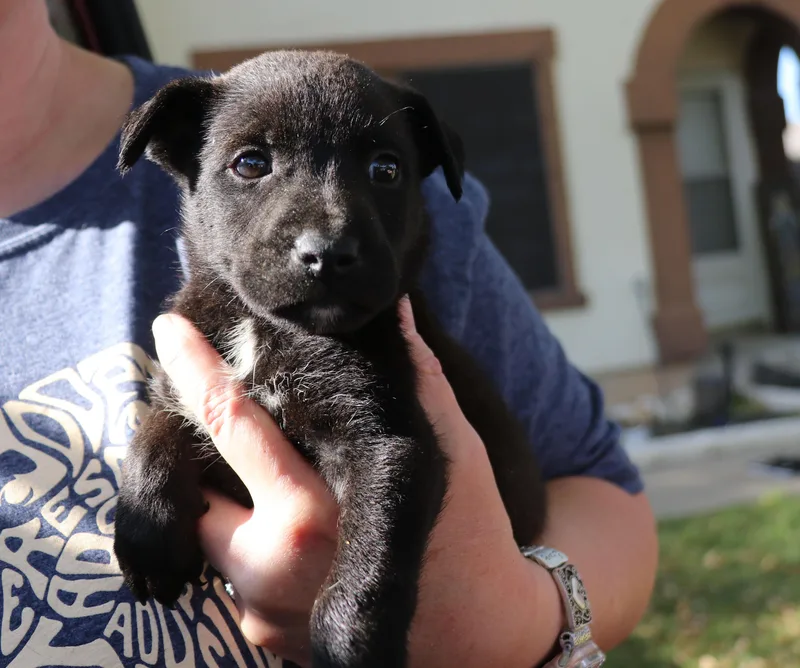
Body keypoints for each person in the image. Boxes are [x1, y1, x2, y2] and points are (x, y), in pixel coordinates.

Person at [0, 0, 658, 666]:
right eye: (252, 165)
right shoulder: (201, 299)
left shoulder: (383, 322)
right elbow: (182, 413)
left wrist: (494, 623)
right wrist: (155, 469)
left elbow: (405, 455)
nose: (329, 229)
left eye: (383, 171)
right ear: (175, 157)